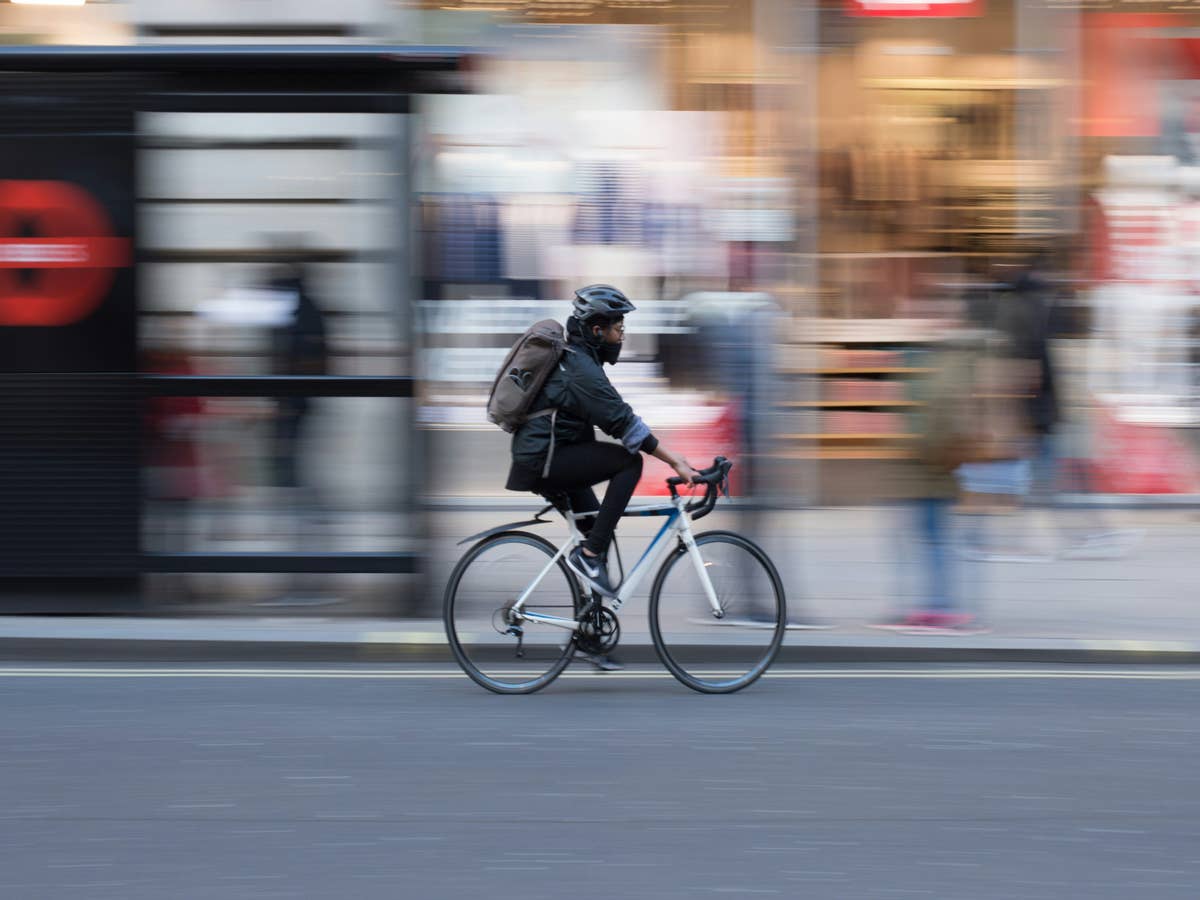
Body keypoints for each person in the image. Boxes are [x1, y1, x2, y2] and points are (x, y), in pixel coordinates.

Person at [505, 284, 699, 602]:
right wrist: (674, 460)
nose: (622, 336)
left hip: (551, 456)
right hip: (543, 460)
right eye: (618, 328)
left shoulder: (581, 361)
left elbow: (612, 416)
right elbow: (623, 423)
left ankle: (590, 635)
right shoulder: (580, 370)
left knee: (598, 531)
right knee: (629, 462)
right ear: (597, 330)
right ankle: (589, 557)